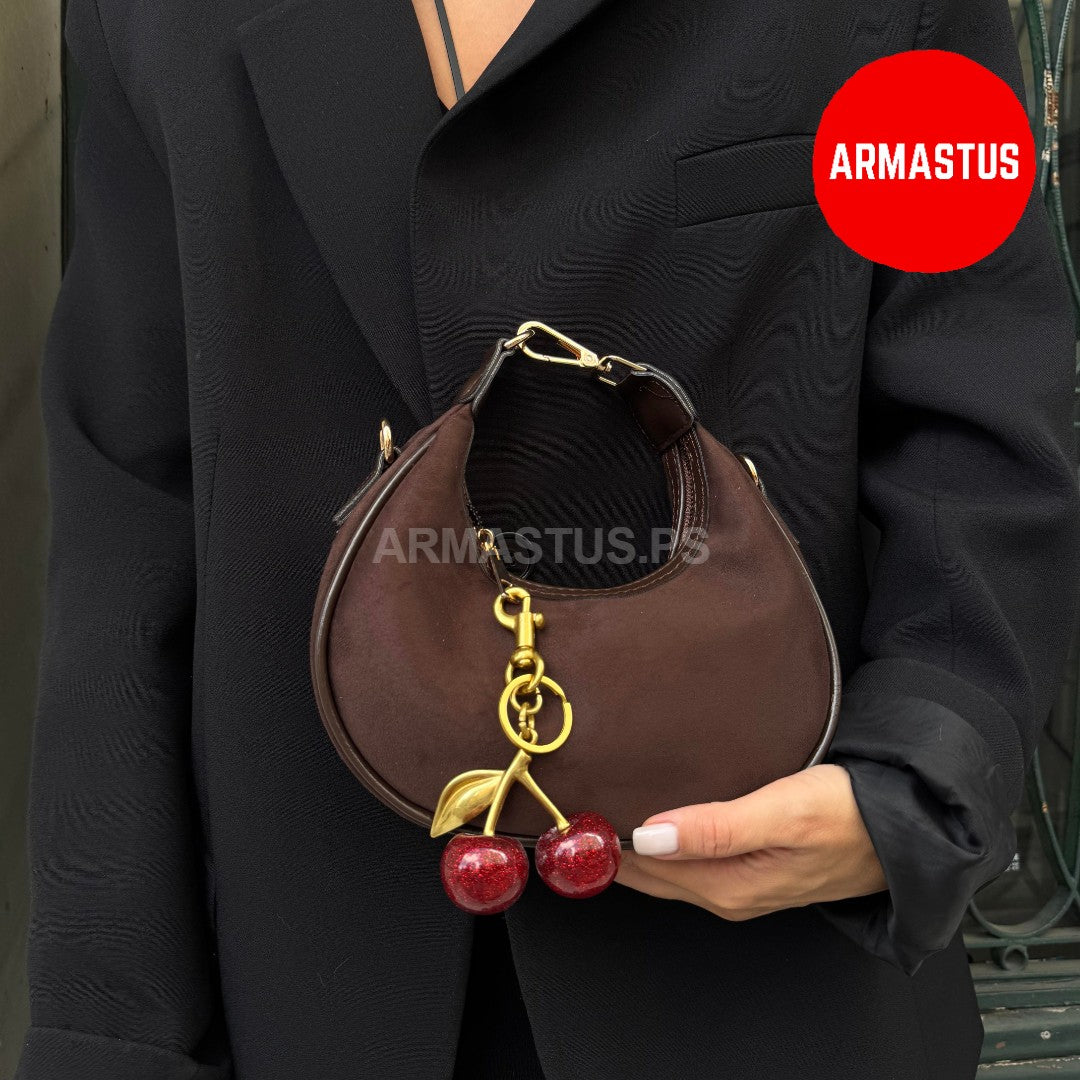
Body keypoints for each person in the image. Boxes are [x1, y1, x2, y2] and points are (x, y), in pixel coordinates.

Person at [17, 0, 1080, 1077]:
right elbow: (128, 530)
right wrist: (106, 1031)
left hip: (774, 984)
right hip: (302, 988)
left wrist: (915, 775)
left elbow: (984, 416)